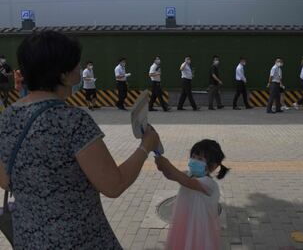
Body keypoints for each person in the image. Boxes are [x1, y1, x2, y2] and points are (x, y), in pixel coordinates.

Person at [0, 31, 161, 249]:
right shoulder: (73, 121)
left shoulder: (7, 118)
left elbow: (5, 180)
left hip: (29, 238)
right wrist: (145, 146)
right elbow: (114, 185)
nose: (80, 69)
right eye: (76, 64)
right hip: (79, 239)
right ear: (63, 74)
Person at [155, 139, 229, 250]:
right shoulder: (189, 174)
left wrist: (167, 164)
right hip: (185, 223)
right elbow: (173, 175)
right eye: (193, 157)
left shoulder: (209, 184)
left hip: (199, 229)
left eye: (200, 159)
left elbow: (186, 181)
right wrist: (163, 167)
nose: (194, 161)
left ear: (212, 166)